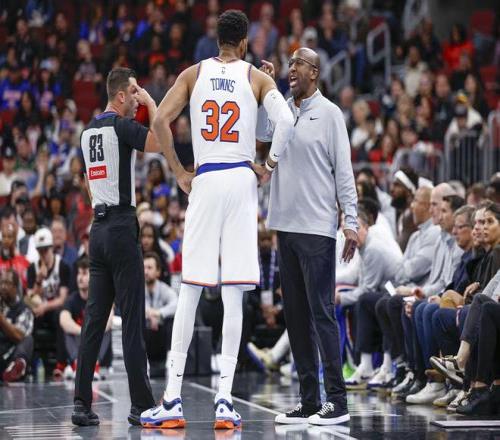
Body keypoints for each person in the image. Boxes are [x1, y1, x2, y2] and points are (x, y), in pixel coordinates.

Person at [140, 10, 293, 430]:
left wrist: (178, 171)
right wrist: (269, 165)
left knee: (190, 288)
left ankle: (172, 398)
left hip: (205, 179)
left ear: (216, 40)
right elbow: (285, 120)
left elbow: (159, 119)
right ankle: (224, 401)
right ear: (244, 43)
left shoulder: (193, 73)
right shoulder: (256, 78)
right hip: (242, 180)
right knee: (234, 292)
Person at [256, 47, 358, 426]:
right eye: (290, 64)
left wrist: (351, 220)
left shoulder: (330, 114)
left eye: (298, 63)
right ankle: (309, 401)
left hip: (317, 229)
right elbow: (261, 133)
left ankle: (338, 401)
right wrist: (265, 91)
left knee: (322, 315)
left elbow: (344, 171)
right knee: (296, 318)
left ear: (314, 72)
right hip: (285, 227)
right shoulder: (282, 108)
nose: (291, 68)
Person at [72, 67, 164, 427]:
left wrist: (102, 206)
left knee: (94, 321)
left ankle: (81, 404)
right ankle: (141, 404)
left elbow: (86, 182)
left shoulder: (86, 132)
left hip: (97, 229)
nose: (137, 98)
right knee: (132, 319)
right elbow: (158, 142)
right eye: (134, 91)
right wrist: (152, 103)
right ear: (121, 95)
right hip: (123, 228)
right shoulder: (121, 126)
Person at [26, 227, 71, 378]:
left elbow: (63, 298)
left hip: (54, 308)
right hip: (39, 309)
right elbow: (30, 298)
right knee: (30, 318)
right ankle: (30, 363)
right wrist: (39, 280)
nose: (43, 253)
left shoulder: (62, 265)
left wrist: (45, 306)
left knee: (60, 316)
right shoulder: (32, 268)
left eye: (45, 249)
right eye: (40, 250)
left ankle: (61, 363)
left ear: (51, 247)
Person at [59, 257, 113, 381]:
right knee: (66, 328)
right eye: (79, 273)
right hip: (80, 343)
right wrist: (83, 331)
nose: (80, 277)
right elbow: (63, 319)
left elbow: (109, 320)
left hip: (95, 343)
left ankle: (94, 364)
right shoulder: (72, 299)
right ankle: (77, 363)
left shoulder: (102, 297)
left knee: (107, 329)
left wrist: (90, 332)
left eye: (84, 273)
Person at [143, 252, 178, 376]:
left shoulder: (164, 289)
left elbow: (176, 304)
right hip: (146, 333)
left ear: (158, 271)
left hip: (161, 335)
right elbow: (137, 305)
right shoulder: (138, 289)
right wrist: (149, 314)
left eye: (149, 268)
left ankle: (170, 357)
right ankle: (141, 359)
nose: (145, 272)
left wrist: (158, 313)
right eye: (144, 268)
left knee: (172, 320)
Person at [0, 269, 34, 383]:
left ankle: (15, 369)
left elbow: (18, 336)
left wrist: (1, 319)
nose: (3, 287)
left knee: (28, 339)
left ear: (15, 287)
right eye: (1, 283)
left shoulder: (25, 310)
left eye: (7, 283)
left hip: (11, 355)